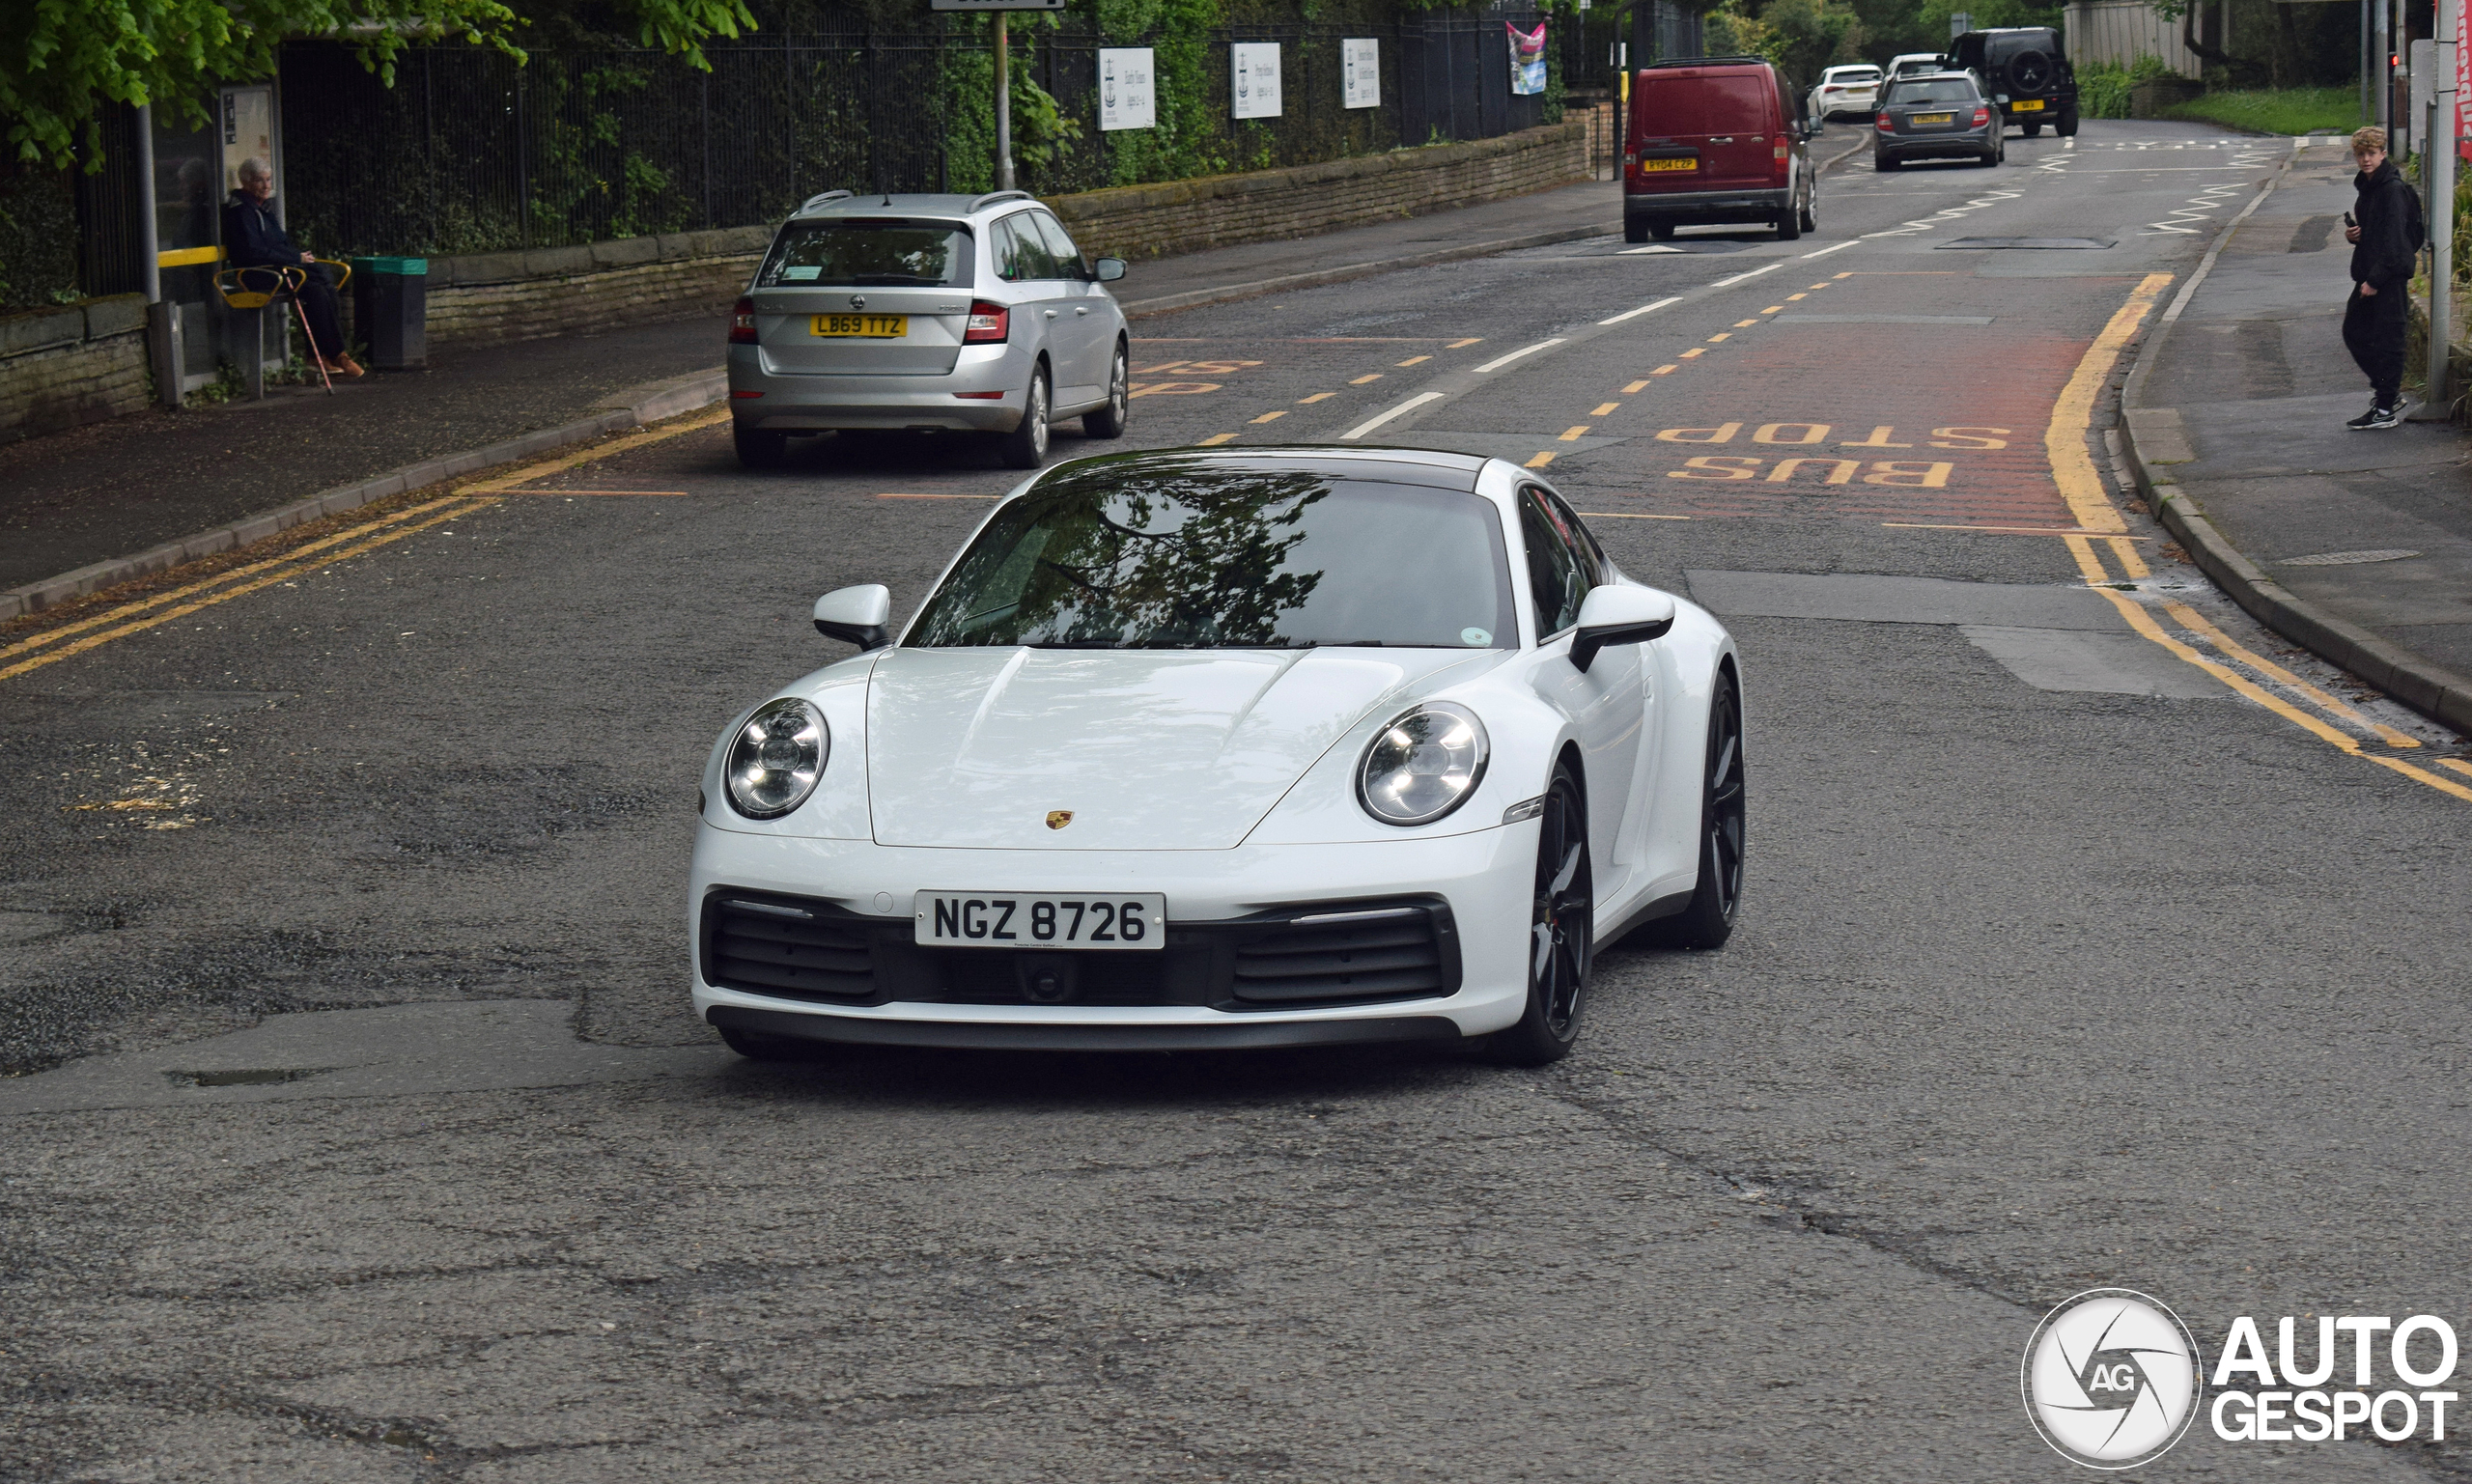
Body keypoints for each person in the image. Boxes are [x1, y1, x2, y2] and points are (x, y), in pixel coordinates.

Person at [221, 157, 363, 378]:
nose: (267, 186)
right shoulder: (241, 212)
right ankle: (334, 354)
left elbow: (280, 243)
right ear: (246, 182)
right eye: (260, 181)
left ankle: (324, 354)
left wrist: (299, 257)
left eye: (268, 180)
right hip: (258, 273)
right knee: (314, 289)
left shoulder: (263, 209)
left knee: (325, 281)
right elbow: (253, 252)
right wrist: (296, 258)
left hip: (278, 268)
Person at [2339, 126, 2420, 431]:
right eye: (2360, 154)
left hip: (2387, 277)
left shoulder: (2391, 190)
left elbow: (2397, 244)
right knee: (2355, 331)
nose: (2366, 160)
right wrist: (2354, 235)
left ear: (2383, 154)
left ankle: (2385, 408)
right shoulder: (2370, 187)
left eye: (2371, 154)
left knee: (2389, 340)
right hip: (2371, 273)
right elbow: (2377, 234)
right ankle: (2388, 394)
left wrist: (2374, 280)